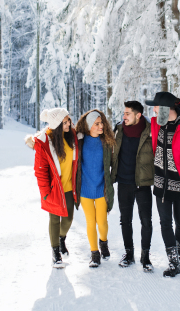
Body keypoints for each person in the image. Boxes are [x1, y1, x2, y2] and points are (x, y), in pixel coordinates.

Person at [145, 92, 180, 277]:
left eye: (156, 107)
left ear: (166, 108)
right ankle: (173, 261)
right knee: (164, 222)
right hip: (161, 182)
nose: (153, 111)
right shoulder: (156, 124)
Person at [25, 108, 79, 268]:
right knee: (55, 219)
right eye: (65, 122)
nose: (69, 123)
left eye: (69, 120)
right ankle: (55, 253)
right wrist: (45, 193)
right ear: (56, 125)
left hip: (69, 187)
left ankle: (62, 239)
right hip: (54, 189)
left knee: (68, 219)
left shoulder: (72, 137)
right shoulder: (44, 144)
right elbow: (40, 172)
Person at [111, 101, 154, 272]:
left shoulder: (150, 131)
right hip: (124, 182)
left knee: (146, 221)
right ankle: (129, 254)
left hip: (143, 183)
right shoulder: (119, 130)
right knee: (125, 220)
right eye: (124, 113)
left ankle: (146, 257)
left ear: (138, 115)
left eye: (127, 113)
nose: (124, 117)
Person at [75, 109, 115, 268]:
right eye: (97, 124)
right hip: (85, 189)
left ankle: (103, 242)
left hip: (101, 188)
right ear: (89, 125)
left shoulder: (106, 142)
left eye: (102, 123)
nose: (101, 126)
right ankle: (94, 254)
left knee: (102, 222)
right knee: (90, 222)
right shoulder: (80, 141)